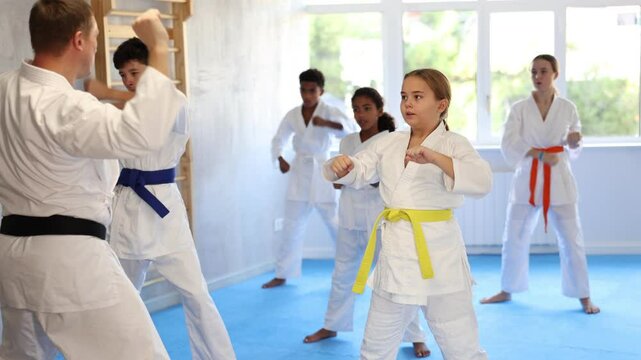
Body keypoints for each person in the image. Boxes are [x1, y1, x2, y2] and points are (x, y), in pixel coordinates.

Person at [0, 3, 182, 359]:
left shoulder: (6, 89)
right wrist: (159, 46)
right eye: (97, 38)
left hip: (12, 259)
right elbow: (145, 134)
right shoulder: (66, 106)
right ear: (79, 40)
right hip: (70, 264)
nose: (98, 46)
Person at [85, 37, 237, 359]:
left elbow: (153, 112)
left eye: (135, 72)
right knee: (120, 297)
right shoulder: (121, 109)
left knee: (196, 293)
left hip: (164, 208)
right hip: (126, 206)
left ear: (152, 70)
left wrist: (108, 94)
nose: (127, 81)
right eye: (123, 75)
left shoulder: (174, 100)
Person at [325, 69, 491, 360]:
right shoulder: (389, 142)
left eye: (417, 97)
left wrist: (435, 158)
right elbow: (360, 167)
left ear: (441, 105)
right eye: (404, 97)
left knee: (461, 345)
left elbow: (481, 181)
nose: (407, 104)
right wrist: (343, 165)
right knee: (375, 347)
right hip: (397, 255)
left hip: (440, 256)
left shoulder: (454, 143)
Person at [304, 87, 430, 357]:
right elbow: (339, 181)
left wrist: (360, 177)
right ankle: (332, 324)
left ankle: (415, 336)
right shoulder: (348, 142)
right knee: (342, 273)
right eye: (357, 109)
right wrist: (349, 177)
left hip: (382, 216)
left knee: (396, 276)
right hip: (350, 214)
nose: (361, 115)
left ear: (380, 110)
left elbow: (394, 178)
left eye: (367, 108)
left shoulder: (392, 140)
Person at [480, 54, 600, 314]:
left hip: (559, 179)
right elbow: (508, 143)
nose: (538, 77)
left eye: (543, 71)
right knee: (513, 237)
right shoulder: (519, 109)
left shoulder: (567, 107)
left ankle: (583, 295)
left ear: (555, 74)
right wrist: (539, 154)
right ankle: (507, 288)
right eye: (534, 72)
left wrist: (575, 140)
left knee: (572, 239)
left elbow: (574, 144)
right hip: (527, 179)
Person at [263, 68, 351, 289]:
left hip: (322, 170)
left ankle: (349, 271)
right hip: (300, 172)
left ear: (321, 91)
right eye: (304, 90)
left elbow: (349, 131)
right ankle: (283, 273)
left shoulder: (329, 111)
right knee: (291, 225)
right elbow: (278, 139)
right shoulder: (293, 115)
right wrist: (280, 158)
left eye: (312, 91)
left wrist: (327, 124)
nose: (308, 95)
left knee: (334, 223)